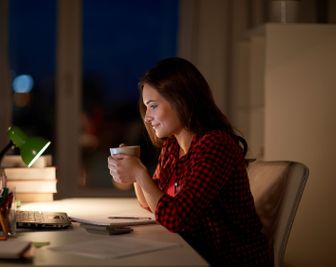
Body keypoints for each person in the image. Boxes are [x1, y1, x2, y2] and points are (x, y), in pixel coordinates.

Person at [107, 57, 273, 267]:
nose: (147, 117)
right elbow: (153, 205)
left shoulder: (215, 145)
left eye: (153, 106)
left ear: (181, 101)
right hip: (194, 252)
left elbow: (175, 218)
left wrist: (140, 173)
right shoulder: (173, 146)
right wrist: (133, 171)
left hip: (228, 258)